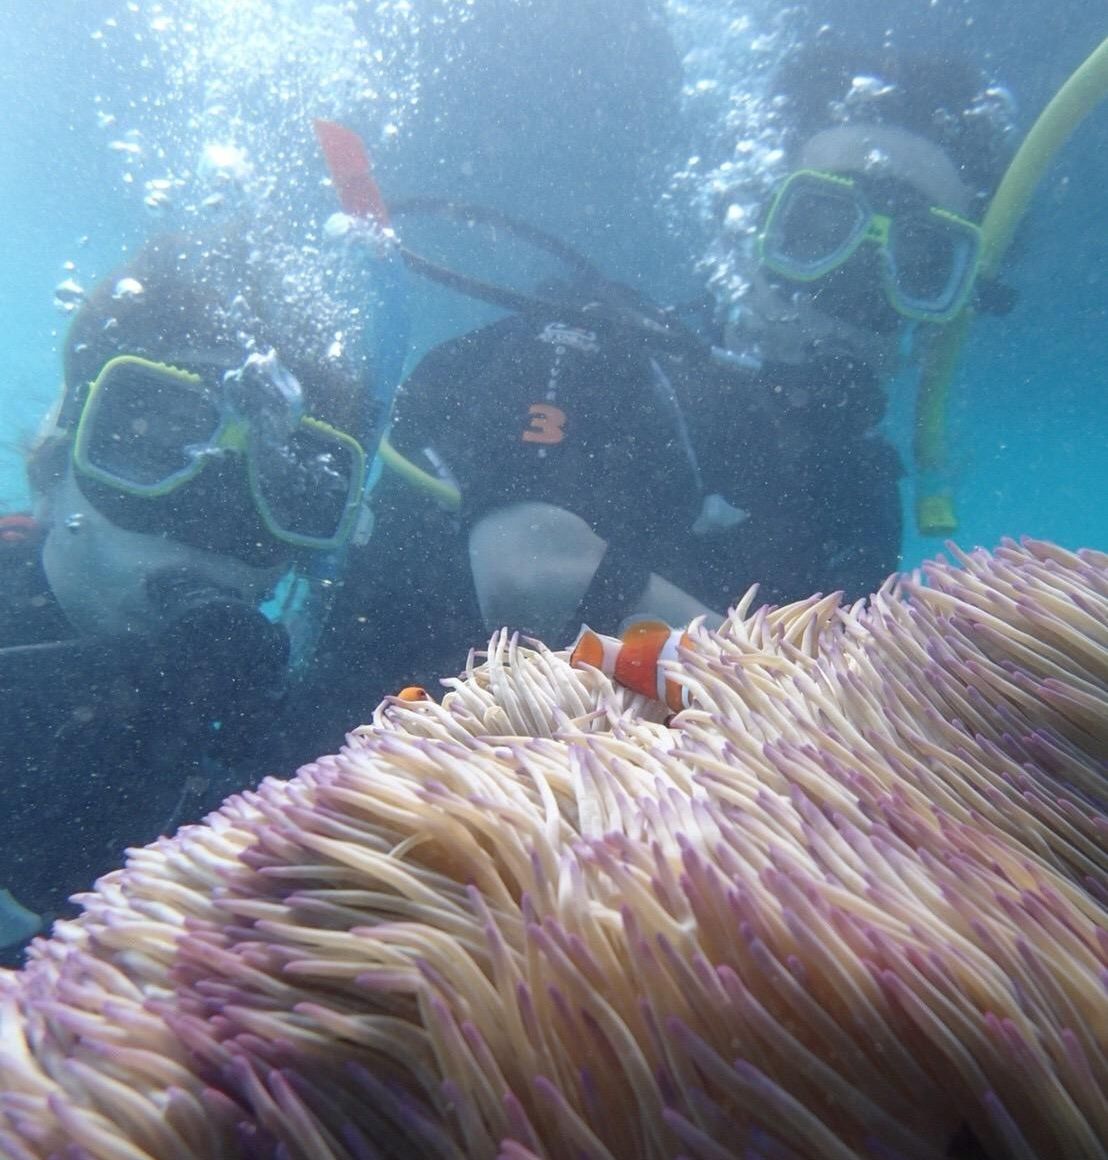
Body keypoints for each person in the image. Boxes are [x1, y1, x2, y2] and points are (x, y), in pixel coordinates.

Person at [366, 41, 1013, 649]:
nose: (851, 288)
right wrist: (785, 690)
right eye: (818, 229)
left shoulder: (858, 491)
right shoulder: (590, 350)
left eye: (920, 260)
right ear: (749, 226)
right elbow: (528, 576)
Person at [0, 229, 378, 957]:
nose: (212, 517)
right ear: (53, 460)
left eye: (287, 482)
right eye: (151, 441)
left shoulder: (300, 740)